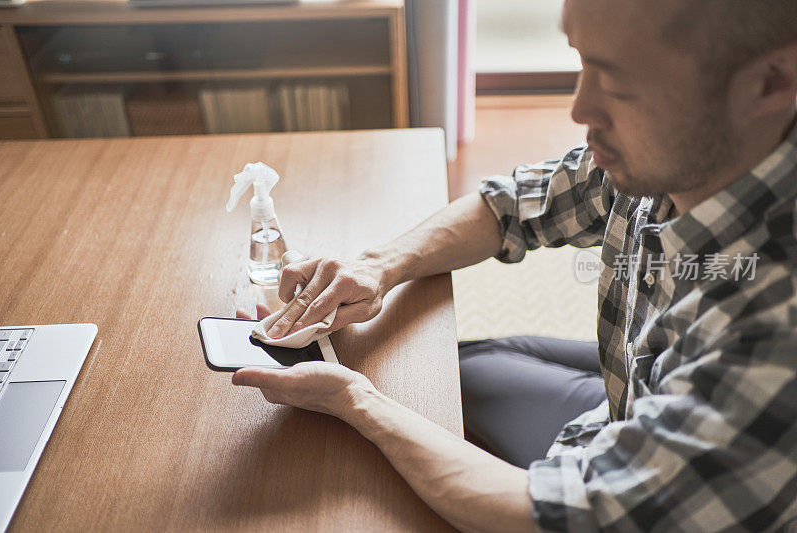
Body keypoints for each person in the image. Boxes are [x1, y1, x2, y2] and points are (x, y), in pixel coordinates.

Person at [232, 0, 797, 530]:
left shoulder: (770, 337)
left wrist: (354, 400)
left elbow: (559, 516)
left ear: (770, 82)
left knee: (395, 416)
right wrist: (380, 265)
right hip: (625, 399)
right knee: (455, 367)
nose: (580, 109)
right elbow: (515, 205)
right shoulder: (685, 155)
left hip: (667, 477)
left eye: (621, 83)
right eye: (580, 62)